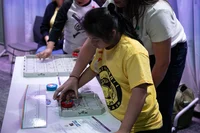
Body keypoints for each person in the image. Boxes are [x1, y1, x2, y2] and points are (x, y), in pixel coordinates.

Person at [43, 0, 187, 132]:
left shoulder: (156, 12)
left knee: (159, 102)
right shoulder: (111, 17)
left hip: (167, 53)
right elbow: (92, 46)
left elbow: (161, 64)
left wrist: (140, 97)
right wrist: (74, 78)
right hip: (136, 49)